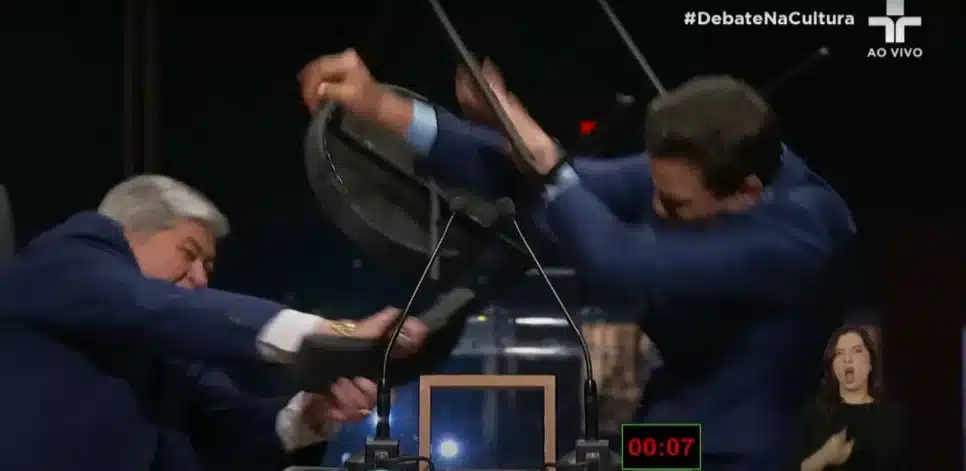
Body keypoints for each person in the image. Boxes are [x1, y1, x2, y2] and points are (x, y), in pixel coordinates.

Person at [297, 50, 857, 470]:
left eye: (676, 206)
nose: (655, 210)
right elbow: (546, 180)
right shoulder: (706, 170)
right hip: (666, 437)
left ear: (747, 193)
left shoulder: (804, 236)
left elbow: (619, 263)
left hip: (734, 455)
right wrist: (383, 107)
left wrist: (546, 161)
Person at [0, 175, 431, 471]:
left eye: (208, 265)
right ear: (128, 232)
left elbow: (226, 420)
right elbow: (156, 307)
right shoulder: (71, 256)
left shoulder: (162, 346)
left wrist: (312, 414)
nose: (201, 279)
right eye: (188, 253)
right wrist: (332, 333)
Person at [796, 326, 908, 471]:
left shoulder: (892, 417)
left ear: (871, 363)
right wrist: (823, 457)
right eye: (839, 353)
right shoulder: (814, 413)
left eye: (857, 351)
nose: (847, 359)